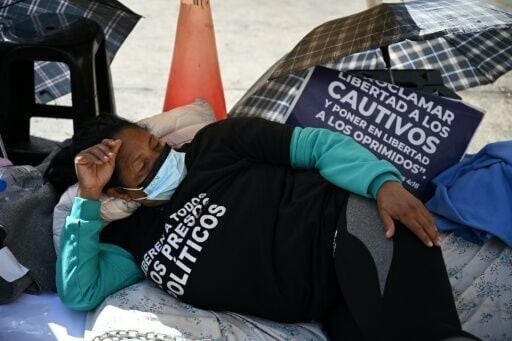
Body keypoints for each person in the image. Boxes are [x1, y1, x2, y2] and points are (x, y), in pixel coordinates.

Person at [47, 115, 476, 340]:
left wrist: (381, 183)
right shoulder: (132, 240)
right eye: (143, 165)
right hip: (325, 303)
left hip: (355, 229)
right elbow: (80, 290)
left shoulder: (219, 142)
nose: (161, 158)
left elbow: (316, 145)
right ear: (120, 194)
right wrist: (86, 198)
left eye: (157, 145)